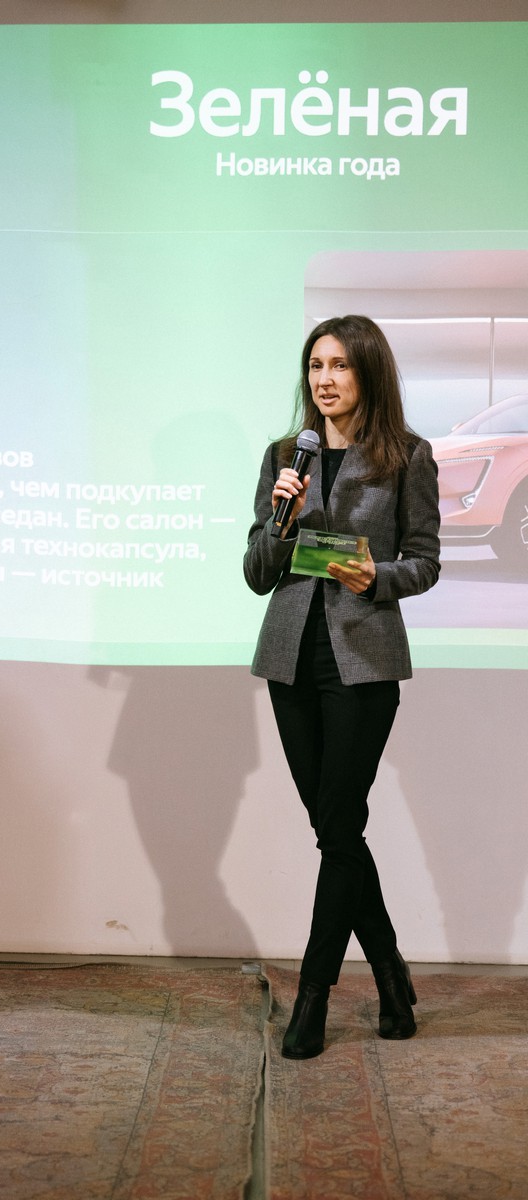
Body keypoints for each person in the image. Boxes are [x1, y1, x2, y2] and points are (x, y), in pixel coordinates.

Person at [243, 314, 441, 1059]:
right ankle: (389, 971)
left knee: (337, 825)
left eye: (339, 366)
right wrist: (281, 522)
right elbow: (257, 573)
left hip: (363, 662)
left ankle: (314, 995)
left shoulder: (406, 456)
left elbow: (424, 560)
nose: (324, 379)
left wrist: (375, 576)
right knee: (337, 831)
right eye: (315, 365)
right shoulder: (282, 457)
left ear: (368, 373)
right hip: (291, 661)